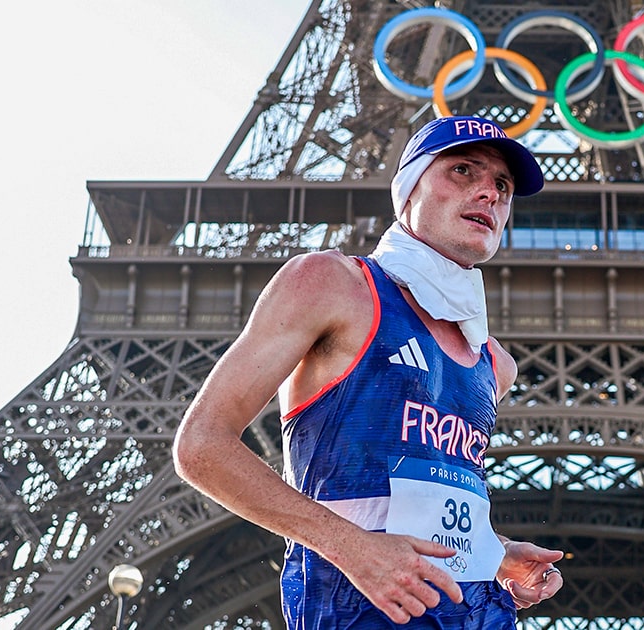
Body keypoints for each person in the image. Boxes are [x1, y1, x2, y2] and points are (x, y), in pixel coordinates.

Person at [174, 115, 564, 628]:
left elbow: (426, 487)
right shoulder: (333, 284)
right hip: (361, 606)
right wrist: (355, 550)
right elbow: (201, 446)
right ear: (409, 189)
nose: (489, 193)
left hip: (477, 611)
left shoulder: (495, 362)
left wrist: (496, 550)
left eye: (503, 185)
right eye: (464, 171)